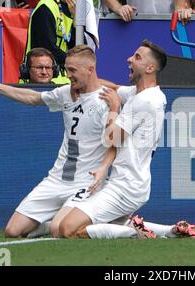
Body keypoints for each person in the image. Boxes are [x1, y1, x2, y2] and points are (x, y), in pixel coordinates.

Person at [0, 44, 115, 238]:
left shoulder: (107, 100)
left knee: (60, 230)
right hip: (56, 179)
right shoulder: (66, 92)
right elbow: (33, 98)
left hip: (86, 182)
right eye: (66, 69)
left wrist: (103, 170)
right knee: (12, 231)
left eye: (72, 70)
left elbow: (116, 142)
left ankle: (62, 223)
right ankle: (51, 223)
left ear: (90, 70)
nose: (67, 74)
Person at [57, 40, 173, 239]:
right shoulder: (142, 93)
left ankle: (136, 233)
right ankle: (167, 231)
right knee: (76, 224)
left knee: (67, 229)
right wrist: (87, 81)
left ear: (150, 68)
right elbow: (116, 88)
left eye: (137, 57)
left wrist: (113, 108)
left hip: (127, 186)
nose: (129, 59)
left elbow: (112, 138)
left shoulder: (145, 101)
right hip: (126, 182)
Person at [25, 0, 99, 84]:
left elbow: (81, 49)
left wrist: (76, 20)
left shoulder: (70, 9)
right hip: (42, 80)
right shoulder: (45, 8)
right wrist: (76, 62)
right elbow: (47, 50)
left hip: (64, 78)